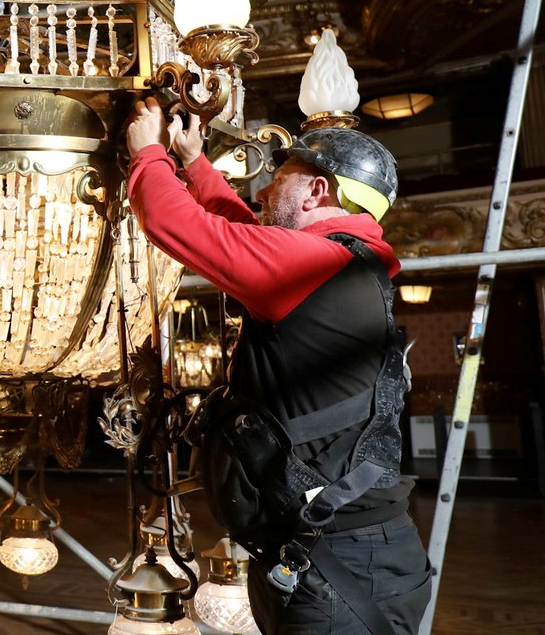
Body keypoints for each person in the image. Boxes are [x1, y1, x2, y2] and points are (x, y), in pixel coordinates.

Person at [125, 98, 431, 634]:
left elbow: (174, 223)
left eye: (279, 178)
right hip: (332, 548)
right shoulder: (337, 262)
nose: (263, 192)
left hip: (340, 561)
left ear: (318, 190)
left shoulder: (318, 264)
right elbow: (243, 233)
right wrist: (195, 165)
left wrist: (148, 152)